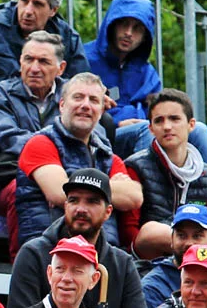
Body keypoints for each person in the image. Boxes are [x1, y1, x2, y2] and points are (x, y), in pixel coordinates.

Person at [6, 169, 149, 308]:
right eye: (74, 200)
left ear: (108, 211)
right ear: (65, 206)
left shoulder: (121, 262)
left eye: (92, 201)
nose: (81, 208)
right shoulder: (33, 253)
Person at [11, 77, 143, 249]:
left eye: (94, 100)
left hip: (102, 254)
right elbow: (59, 193)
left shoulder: (106, 155)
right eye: (78, 97)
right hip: (50, 252)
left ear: (102, 110)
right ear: (62, 105)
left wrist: (73, 184)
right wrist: (111, 190)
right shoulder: (40, 144)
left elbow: (134, 197)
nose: (86, 105)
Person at [125, 91, 207, 259]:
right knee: (152, 231)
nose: (167, 126)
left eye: (174, 119)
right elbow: (130, 232)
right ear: (151, 129)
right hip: (150, 259)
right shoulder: (136, 167)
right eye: (159, 121)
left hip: (199, 258)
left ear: (191, 125)